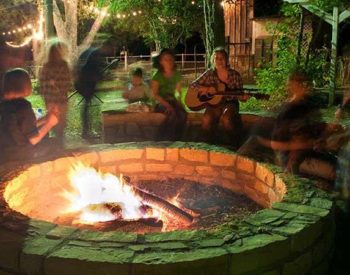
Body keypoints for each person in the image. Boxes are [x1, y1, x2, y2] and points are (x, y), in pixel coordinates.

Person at [257, 69, 336, 180]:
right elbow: (276, 145)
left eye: (306, 83)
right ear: (293, 85)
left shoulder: (310, 105)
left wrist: (329, 131)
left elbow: (320, 130)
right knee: (336, 171)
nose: (306, 86)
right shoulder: (287, 111)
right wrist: (306, 144)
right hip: (293, 158)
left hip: (313, 152)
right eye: (301, 83)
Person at [0, 68, 58, 163]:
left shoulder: (4, 105)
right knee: (54, 143)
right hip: (20, 155)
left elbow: (19, 128)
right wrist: (49, 124)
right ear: (25, 85)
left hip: (4, 153)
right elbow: (33, 140)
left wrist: (44, 119)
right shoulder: (23, 106)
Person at [189, 47, 244, 146]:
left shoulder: (235, 75)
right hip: (214, 104)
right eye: (216, 58)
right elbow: (192, 85)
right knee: (206, 119)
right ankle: (206, 145)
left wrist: (244, 98)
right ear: (213, 60)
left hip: (230, 103)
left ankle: (234, 144)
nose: (219, 61)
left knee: (226, 119)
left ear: (226, 60)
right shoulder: (209, 73)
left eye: (222, 58)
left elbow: (240, 95)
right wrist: (206, 89)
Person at [39, 39, 72, 146]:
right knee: (60, 125)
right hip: (60, 100)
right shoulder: (64, 65)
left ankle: (54, 145)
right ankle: (59, 145)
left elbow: (43, 86)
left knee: (52, 123)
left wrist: (48, 98)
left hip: (51, 100)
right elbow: (67, 84)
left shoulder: (46, 66)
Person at [75, 42, 110, 140]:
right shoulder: (96, 54)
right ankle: (85, 132)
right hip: (85, 84)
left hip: (86, 83)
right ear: (105, 46)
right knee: (86, 109)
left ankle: (86, 131)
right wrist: (101, 77)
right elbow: (93, 70)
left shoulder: (96, 54)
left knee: (86, 108)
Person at [150, 48, 187, 140]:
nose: (169, 62)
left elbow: (178, 92)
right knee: (171, 114)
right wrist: (167, 106)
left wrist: (179, 102)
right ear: (161, 62)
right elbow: (155, 94)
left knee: (183, 115)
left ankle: (178, 139)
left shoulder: (177, 74)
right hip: (160, 102)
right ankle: (165, 140)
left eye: (170, 59)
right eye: (166, 59)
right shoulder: (157, 76)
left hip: (171, 100)